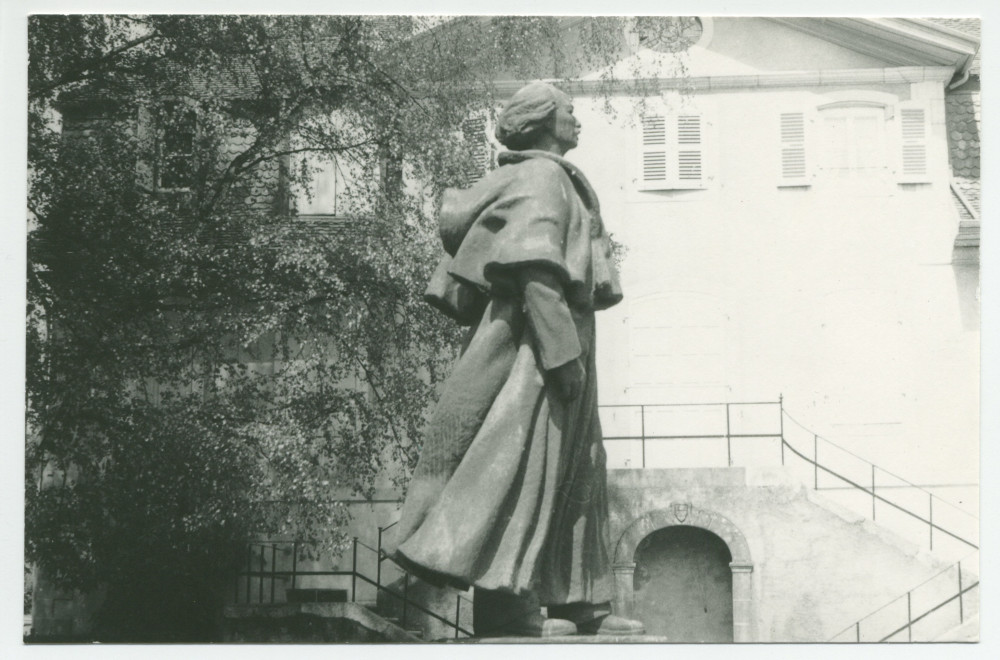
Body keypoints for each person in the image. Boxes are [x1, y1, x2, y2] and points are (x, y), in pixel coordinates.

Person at [390, 82, 643, 638]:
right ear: (543, 120)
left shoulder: (549, 176)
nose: (577, 119)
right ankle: (508, 608)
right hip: (535, 350)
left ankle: (578, 603)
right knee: (523, 469)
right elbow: (535, 270)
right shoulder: (541, 177)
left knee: (575, 469)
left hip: (556, 339)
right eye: (569, 111)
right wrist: (562, 356)